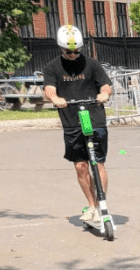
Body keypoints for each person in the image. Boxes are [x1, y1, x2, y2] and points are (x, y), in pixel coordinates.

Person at [42, 25, 113, 224]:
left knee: (97, 162)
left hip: (94, 117)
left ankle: (102, 205)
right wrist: (54, 98)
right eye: (68, 51)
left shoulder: (92, 64)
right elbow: (49, 88)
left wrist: (104, 94)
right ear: (61, 48)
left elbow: (106, 85)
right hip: (72, 120)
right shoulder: (52, 67)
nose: (73, 55)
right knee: (81, 166)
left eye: (76, 51)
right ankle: (91, 206)